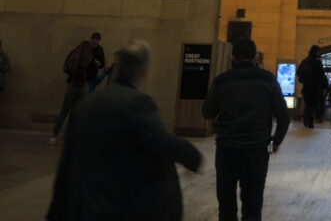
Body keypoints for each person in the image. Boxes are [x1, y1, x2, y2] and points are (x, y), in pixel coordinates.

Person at [46, 39, 202, 221]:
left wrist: (56, 211)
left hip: (87, 204)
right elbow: (162, 140)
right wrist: (192, 156)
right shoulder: (137, 103)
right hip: (116, 204)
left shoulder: (85, 105)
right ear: (143, 70)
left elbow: (67, 161)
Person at [203, 36, 290, 221]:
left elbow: (207, 111)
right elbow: (284, 116)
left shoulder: (221, 81)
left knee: (226, 204)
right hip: (258, 149)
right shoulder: (268, 80)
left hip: (226, 149)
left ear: (232, 57)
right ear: (254, 57)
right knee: (253, 203)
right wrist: (275, 142)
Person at [50, 35, 98, 143]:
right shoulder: (90, 59)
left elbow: (66, 68)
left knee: (64, 111)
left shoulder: (73, 56)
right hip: (84, 87)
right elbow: (94, 75)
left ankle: (54, 135)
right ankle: (71, 135)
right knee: (79, 113)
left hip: (72, 86)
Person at [297, 43, 327, 128]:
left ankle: (307, 119)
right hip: (315, 87)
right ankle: (310, 122)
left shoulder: (305, 61)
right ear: (316, 52)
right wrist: (324, 87)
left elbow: (298, 72)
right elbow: (321, 75)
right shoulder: (317, 62)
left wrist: (304, 81)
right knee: (313, 104)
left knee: (308, 103)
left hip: (306, 87)